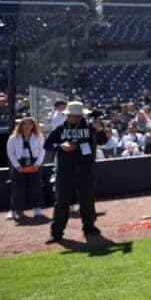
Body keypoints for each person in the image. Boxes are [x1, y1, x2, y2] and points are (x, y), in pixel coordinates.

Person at [43, 102, 107, 243]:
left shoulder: (91, 127)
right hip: (65, 170)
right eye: (71, 116)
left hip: (86, 169)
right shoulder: (60, 129)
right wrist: (61, 146)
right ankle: (56, 233)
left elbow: (103, 141)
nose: (73, 119)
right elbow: (47, 144)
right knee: (61, 202)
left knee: (87, 200)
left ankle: (89, 227)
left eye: (76, 116)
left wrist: (99, 130)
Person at [5, 116, 45, 220]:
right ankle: (13, 210)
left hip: (34, 162)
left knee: (35, 186)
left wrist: (37, 164)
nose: (27, 126)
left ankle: (37, 209)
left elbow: (42, 151)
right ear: (21, 125)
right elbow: (10, 153)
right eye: (25, 124)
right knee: (17, 188)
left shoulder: (39, 137)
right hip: (19, 163)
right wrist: (17, 166)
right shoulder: (13, 138)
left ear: (33, 125)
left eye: (30, 124)